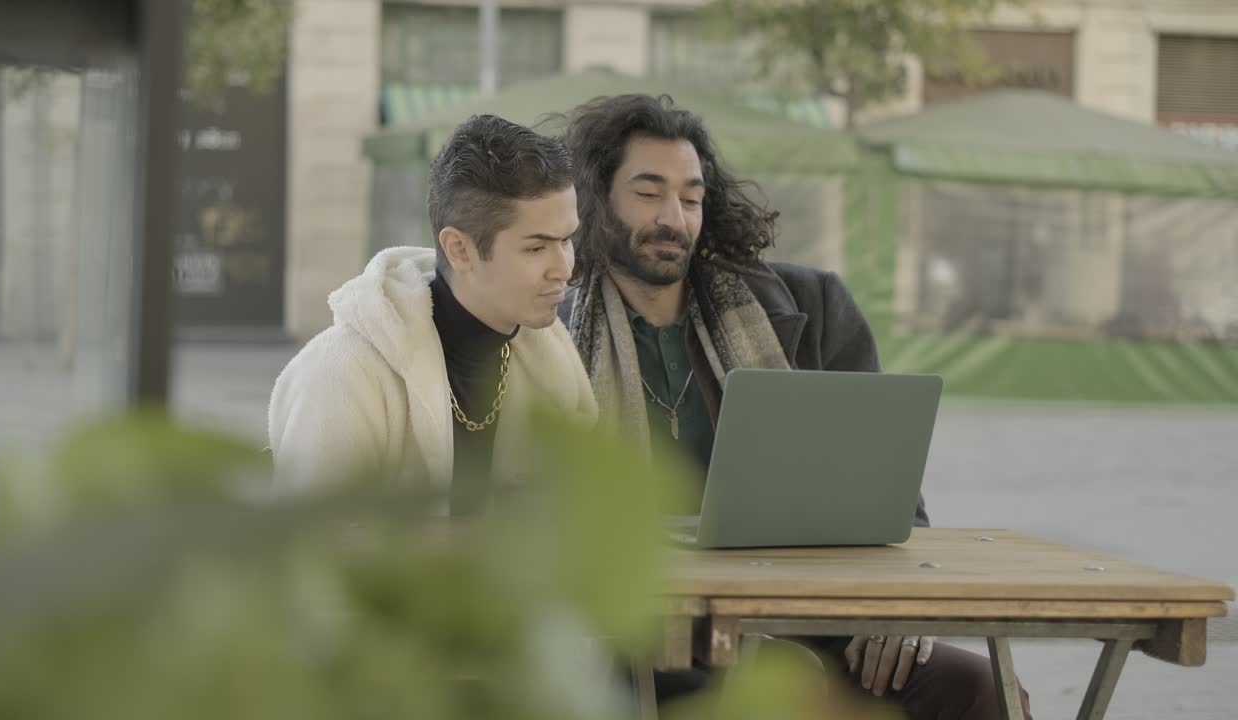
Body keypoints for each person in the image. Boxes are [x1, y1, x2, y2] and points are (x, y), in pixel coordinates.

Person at [558, 93, 1029, 719]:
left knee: (982, 691)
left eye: (691, 197)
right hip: (638, 637)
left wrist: (899, 606)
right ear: (595, 200)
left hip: (812, 617)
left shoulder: (811, 308)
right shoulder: (549, 334)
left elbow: (893, 503)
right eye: (648, 193)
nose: (674, 217)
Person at [268, 114, 595, 514]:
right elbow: (312, 552)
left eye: (566, 241)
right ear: (459, 250)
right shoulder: (342, 374)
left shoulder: (551, 362)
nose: (564, 267)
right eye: (536, 248)